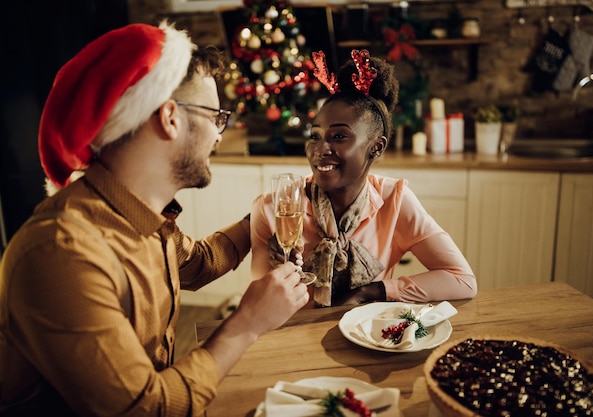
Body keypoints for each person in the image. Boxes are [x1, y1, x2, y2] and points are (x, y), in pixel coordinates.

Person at [0, 21, 309, 416]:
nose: (219, 135)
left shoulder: (141, 215)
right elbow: (147, 409)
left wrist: (259, 218)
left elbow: (197, 264)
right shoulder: (61, 251)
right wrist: (247, 323)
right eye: (216, 117)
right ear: (169, 118)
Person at [250, 50, 476, 307]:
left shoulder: (395, 201)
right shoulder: (273, 208)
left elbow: (463, 280)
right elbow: (258, 307)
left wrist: (372, 292)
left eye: (339, 137)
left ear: (376, 148)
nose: (320, 150)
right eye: (315, 136)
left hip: (367, 338)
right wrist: (282, 275)